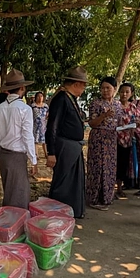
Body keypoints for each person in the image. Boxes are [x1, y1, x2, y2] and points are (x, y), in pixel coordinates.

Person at [46, 66, 89, 219]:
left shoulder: (72, 99)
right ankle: (57, 214)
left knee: (74, 182)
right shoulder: (61, 99)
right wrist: (51, 152)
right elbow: (52, 127)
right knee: (63, 183)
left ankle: (71, 211)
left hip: (73, 146)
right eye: (83, 85)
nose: (84, 89)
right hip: (64, 145)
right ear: (76, 84)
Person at [0, 70, 38, 209]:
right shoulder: (25, 109)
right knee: (19, 194)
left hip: (4, 155)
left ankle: (8, 223)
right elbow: (27, 136)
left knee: (9, 192)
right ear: (22, 88)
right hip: (17, 156)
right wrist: (33, 159)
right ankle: (16, 226)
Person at [86, 76, 123, 210]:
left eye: (108, 88)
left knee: (109, 168)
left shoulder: (118, 105)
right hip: (98, 138)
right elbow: (92, 123)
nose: (105, 91)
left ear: (114, 89)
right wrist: (104, 116)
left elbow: (119, 122)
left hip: (111, 139)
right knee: (97, 167)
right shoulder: (96, 103)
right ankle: (94, 198)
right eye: (102, 88)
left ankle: (107, 197)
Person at [116, 83, 137, 198]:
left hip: (127, 140)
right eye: (122, 91)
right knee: (115, 163)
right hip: (115, 139)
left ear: (131, 93)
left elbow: (135, 121)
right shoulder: (115, 105)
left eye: (127, 92)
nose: (124, 94)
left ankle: (120, 187)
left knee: (124, 164)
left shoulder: (133, 107)